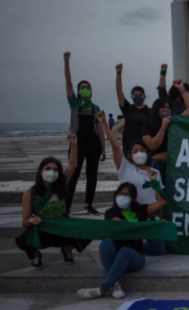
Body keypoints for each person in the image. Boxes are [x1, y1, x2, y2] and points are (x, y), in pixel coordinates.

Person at [77, 180, 167, 300]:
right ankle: (115, 285)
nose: (122, 197)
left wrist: (155, 184)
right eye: (120, 194)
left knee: (125, 251)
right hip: (114, 258)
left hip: (134, 258)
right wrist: (143, 225)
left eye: (126, 194)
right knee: (105, 243)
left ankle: (102, 289)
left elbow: (162, 202)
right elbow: (122, 227)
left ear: (134, 198)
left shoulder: (140, 210)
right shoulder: (111, 213)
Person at [97, 110, 167, 257]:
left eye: (142, 150)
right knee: (124, 244)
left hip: (150, 217)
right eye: (135, 151)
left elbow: (159, 196)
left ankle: (138, 246)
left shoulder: (155, 172)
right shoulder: (125, 168)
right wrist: (104, 123)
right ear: (130, 155)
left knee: (159, 250)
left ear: (147, 153)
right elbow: (115, 145)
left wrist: (161, 216)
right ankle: (129, 245)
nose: (139, 153)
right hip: (130, 217)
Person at [15, 132, 90, 268]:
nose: (52, 172)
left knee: (89, 229)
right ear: (40, 171)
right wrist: (31, 221)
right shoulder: (29, 194)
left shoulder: (60, 186)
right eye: (48, 169)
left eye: (55, 170)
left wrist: (73, 144)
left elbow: (73, 165)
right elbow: (25, 223)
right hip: (43, 231)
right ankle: (36, 255)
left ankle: (67, 249)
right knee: (23, 240)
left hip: (62, 229)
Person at [62, 52, 106, 216]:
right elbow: (68, 82)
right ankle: (66, 207)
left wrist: (103, 149)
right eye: (82, 87)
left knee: (92, 175)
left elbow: (100, 129)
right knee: (73, 174)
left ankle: (88, 205)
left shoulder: (95, 107)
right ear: (78, 91)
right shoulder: (74, 102)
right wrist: (66, 62)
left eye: (87, 87)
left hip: (93, 143)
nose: (85, 89)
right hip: (77, 143)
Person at [142, 79, 189, 182]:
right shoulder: (148, 126)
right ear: (156, 109)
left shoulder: (174, 122)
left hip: (173, 166)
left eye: (168, 108)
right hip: (157, 165)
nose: (166, 109)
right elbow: (153, 145)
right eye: (163, 108)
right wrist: (163, 127)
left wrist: (181, 89)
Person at [115, 63, 151, 154]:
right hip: (129, 147)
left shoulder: (150, 111)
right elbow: (119, 92)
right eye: (135, 95)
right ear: (131, 96)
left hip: (145, 148)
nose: (138, 96)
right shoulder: (127, 109)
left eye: (140, 95)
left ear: (144, 96)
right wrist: (118, 74)